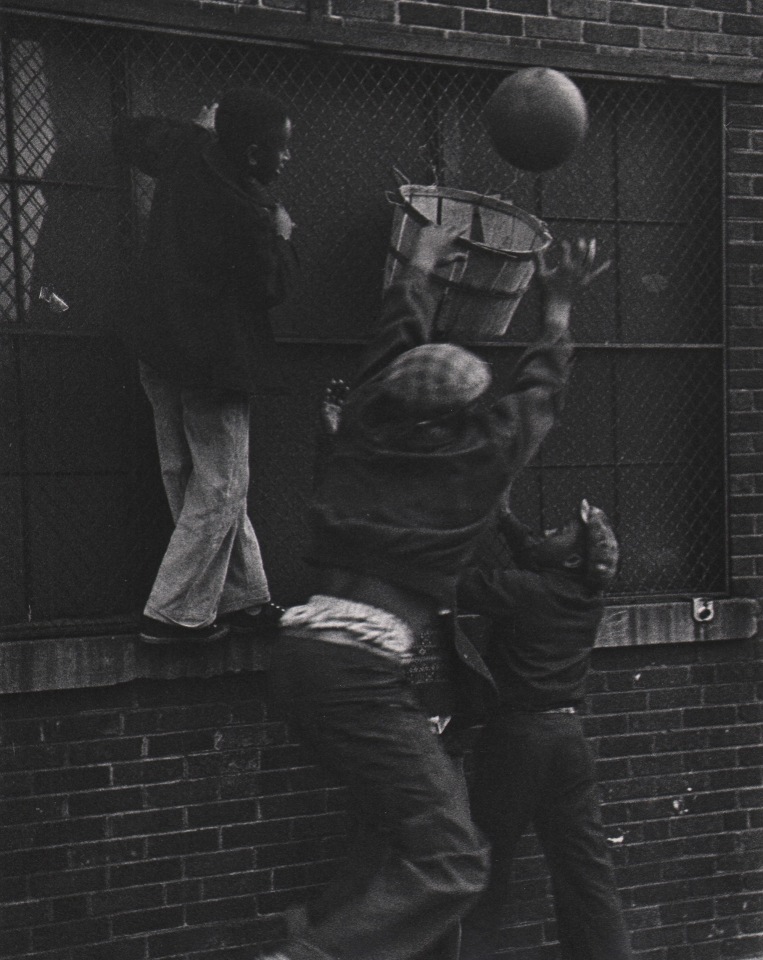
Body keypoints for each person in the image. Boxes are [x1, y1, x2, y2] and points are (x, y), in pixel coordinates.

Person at [265, 226, 609, 960]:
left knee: (391, 838)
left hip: (301, 656)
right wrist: (555, 309)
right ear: (468, 416)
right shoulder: (475, 464)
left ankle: (319, 934)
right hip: (359, 672)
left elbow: (390, 352)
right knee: (453, 862)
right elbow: (540, 391)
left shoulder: (360, 428)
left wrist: (416, 272)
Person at [112, 88, 296, 644]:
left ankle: (242, 599)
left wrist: (197, 132)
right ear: (252, 152)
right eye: (281, 147)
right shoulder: (252, 212)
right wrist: (284, 237)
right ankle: (173, 614)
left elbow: (130, 136)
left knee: (190, 476)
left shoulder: (190, 152)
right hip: (212, 362)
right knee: (222, 485)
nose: (286, 158)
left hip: (159, 347)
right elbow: (273, 286)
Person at [457, 499, 633, 960]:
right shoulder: (583, 594)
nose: (547, 528)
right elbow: (537, 557)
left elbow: (459, 585)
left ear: (571, 559)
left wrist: (461, 518)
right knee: (586, 872)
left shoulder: (526, 591)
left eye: (559, 529)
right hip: (568, 744)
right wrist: (505, 518)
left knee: (483, 862)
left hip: (518, 741)